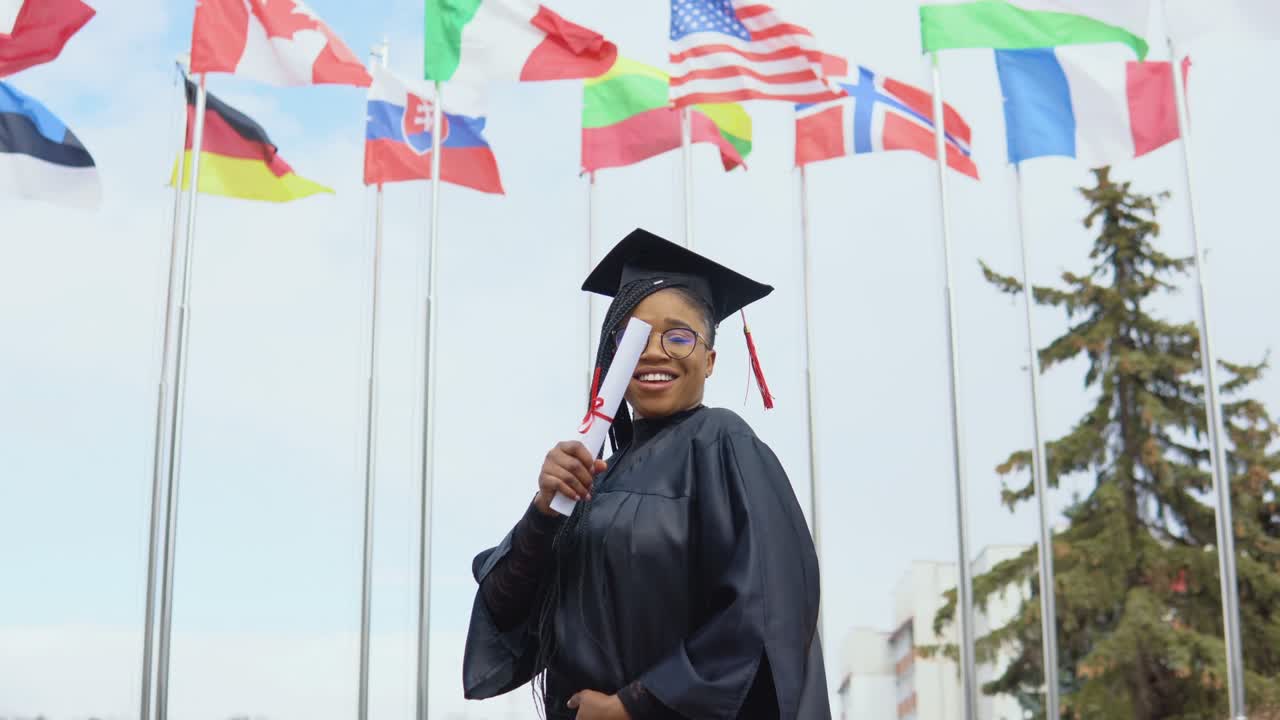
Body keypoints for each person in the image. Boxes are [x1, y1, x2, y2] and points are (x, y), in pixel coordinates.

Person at [462, 228, 827, 719]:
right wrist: (544, 513)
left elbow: (765, 610)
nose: (655, 352)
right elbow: (507, 614)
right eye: (634, 338)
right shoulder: (594, 476)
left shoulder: (721, 442)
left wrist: (636, 704)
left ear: (710, 359)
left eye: (679, 336)